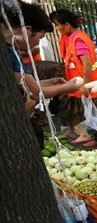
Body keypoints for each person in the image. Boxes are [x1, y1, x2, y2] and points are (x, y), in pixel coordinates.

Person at [1, 1, 79, 148]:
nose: (37, 44)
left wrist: (49, 82)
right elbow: (36, 93)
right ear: (27, 30)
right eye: (40, 37)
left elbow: (22, 84)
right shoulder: (9, 55)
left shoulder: (9, 49)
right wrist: (67, 87)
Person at [49, 9, 97, 147]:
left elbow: (87, 64)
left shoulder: (78, 40)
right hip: (84, 82)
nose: (57, 28)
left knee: (95, 113)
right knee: (89, 112)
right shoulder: (72, 37)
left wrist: (84, 86)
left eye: (58, 25)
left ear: (67, 25)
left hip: (89, 83)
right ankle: (96, 139)